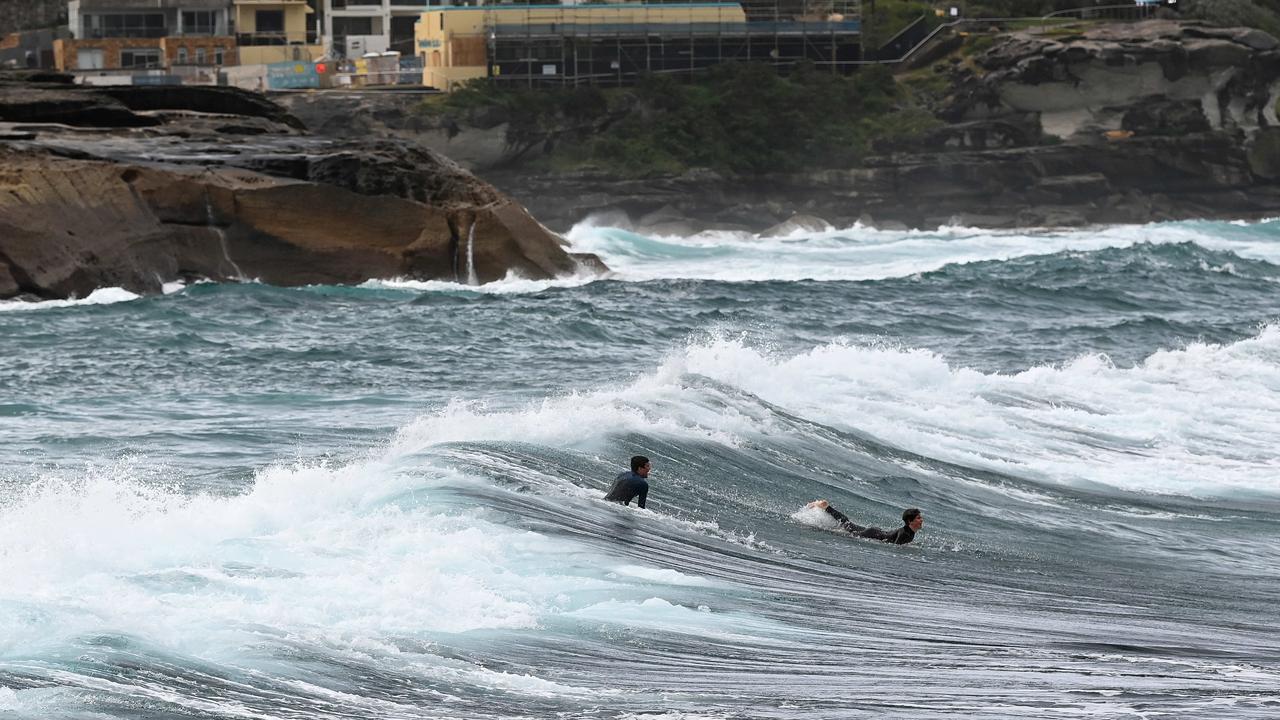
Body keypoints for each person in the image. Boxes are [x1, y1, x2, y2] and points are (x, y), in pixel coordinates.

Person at [805, 500, 922, 545]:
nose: (921, 520)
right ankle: (825, 507)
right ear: (909, 521)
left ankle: (825, 507)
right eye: (918, 518)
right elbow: (893, 547)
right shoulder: (905, 533)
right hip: (872, 534)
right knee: (845, 531)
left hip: (874, 532)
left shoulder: (908, 532)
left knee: (847, 524)